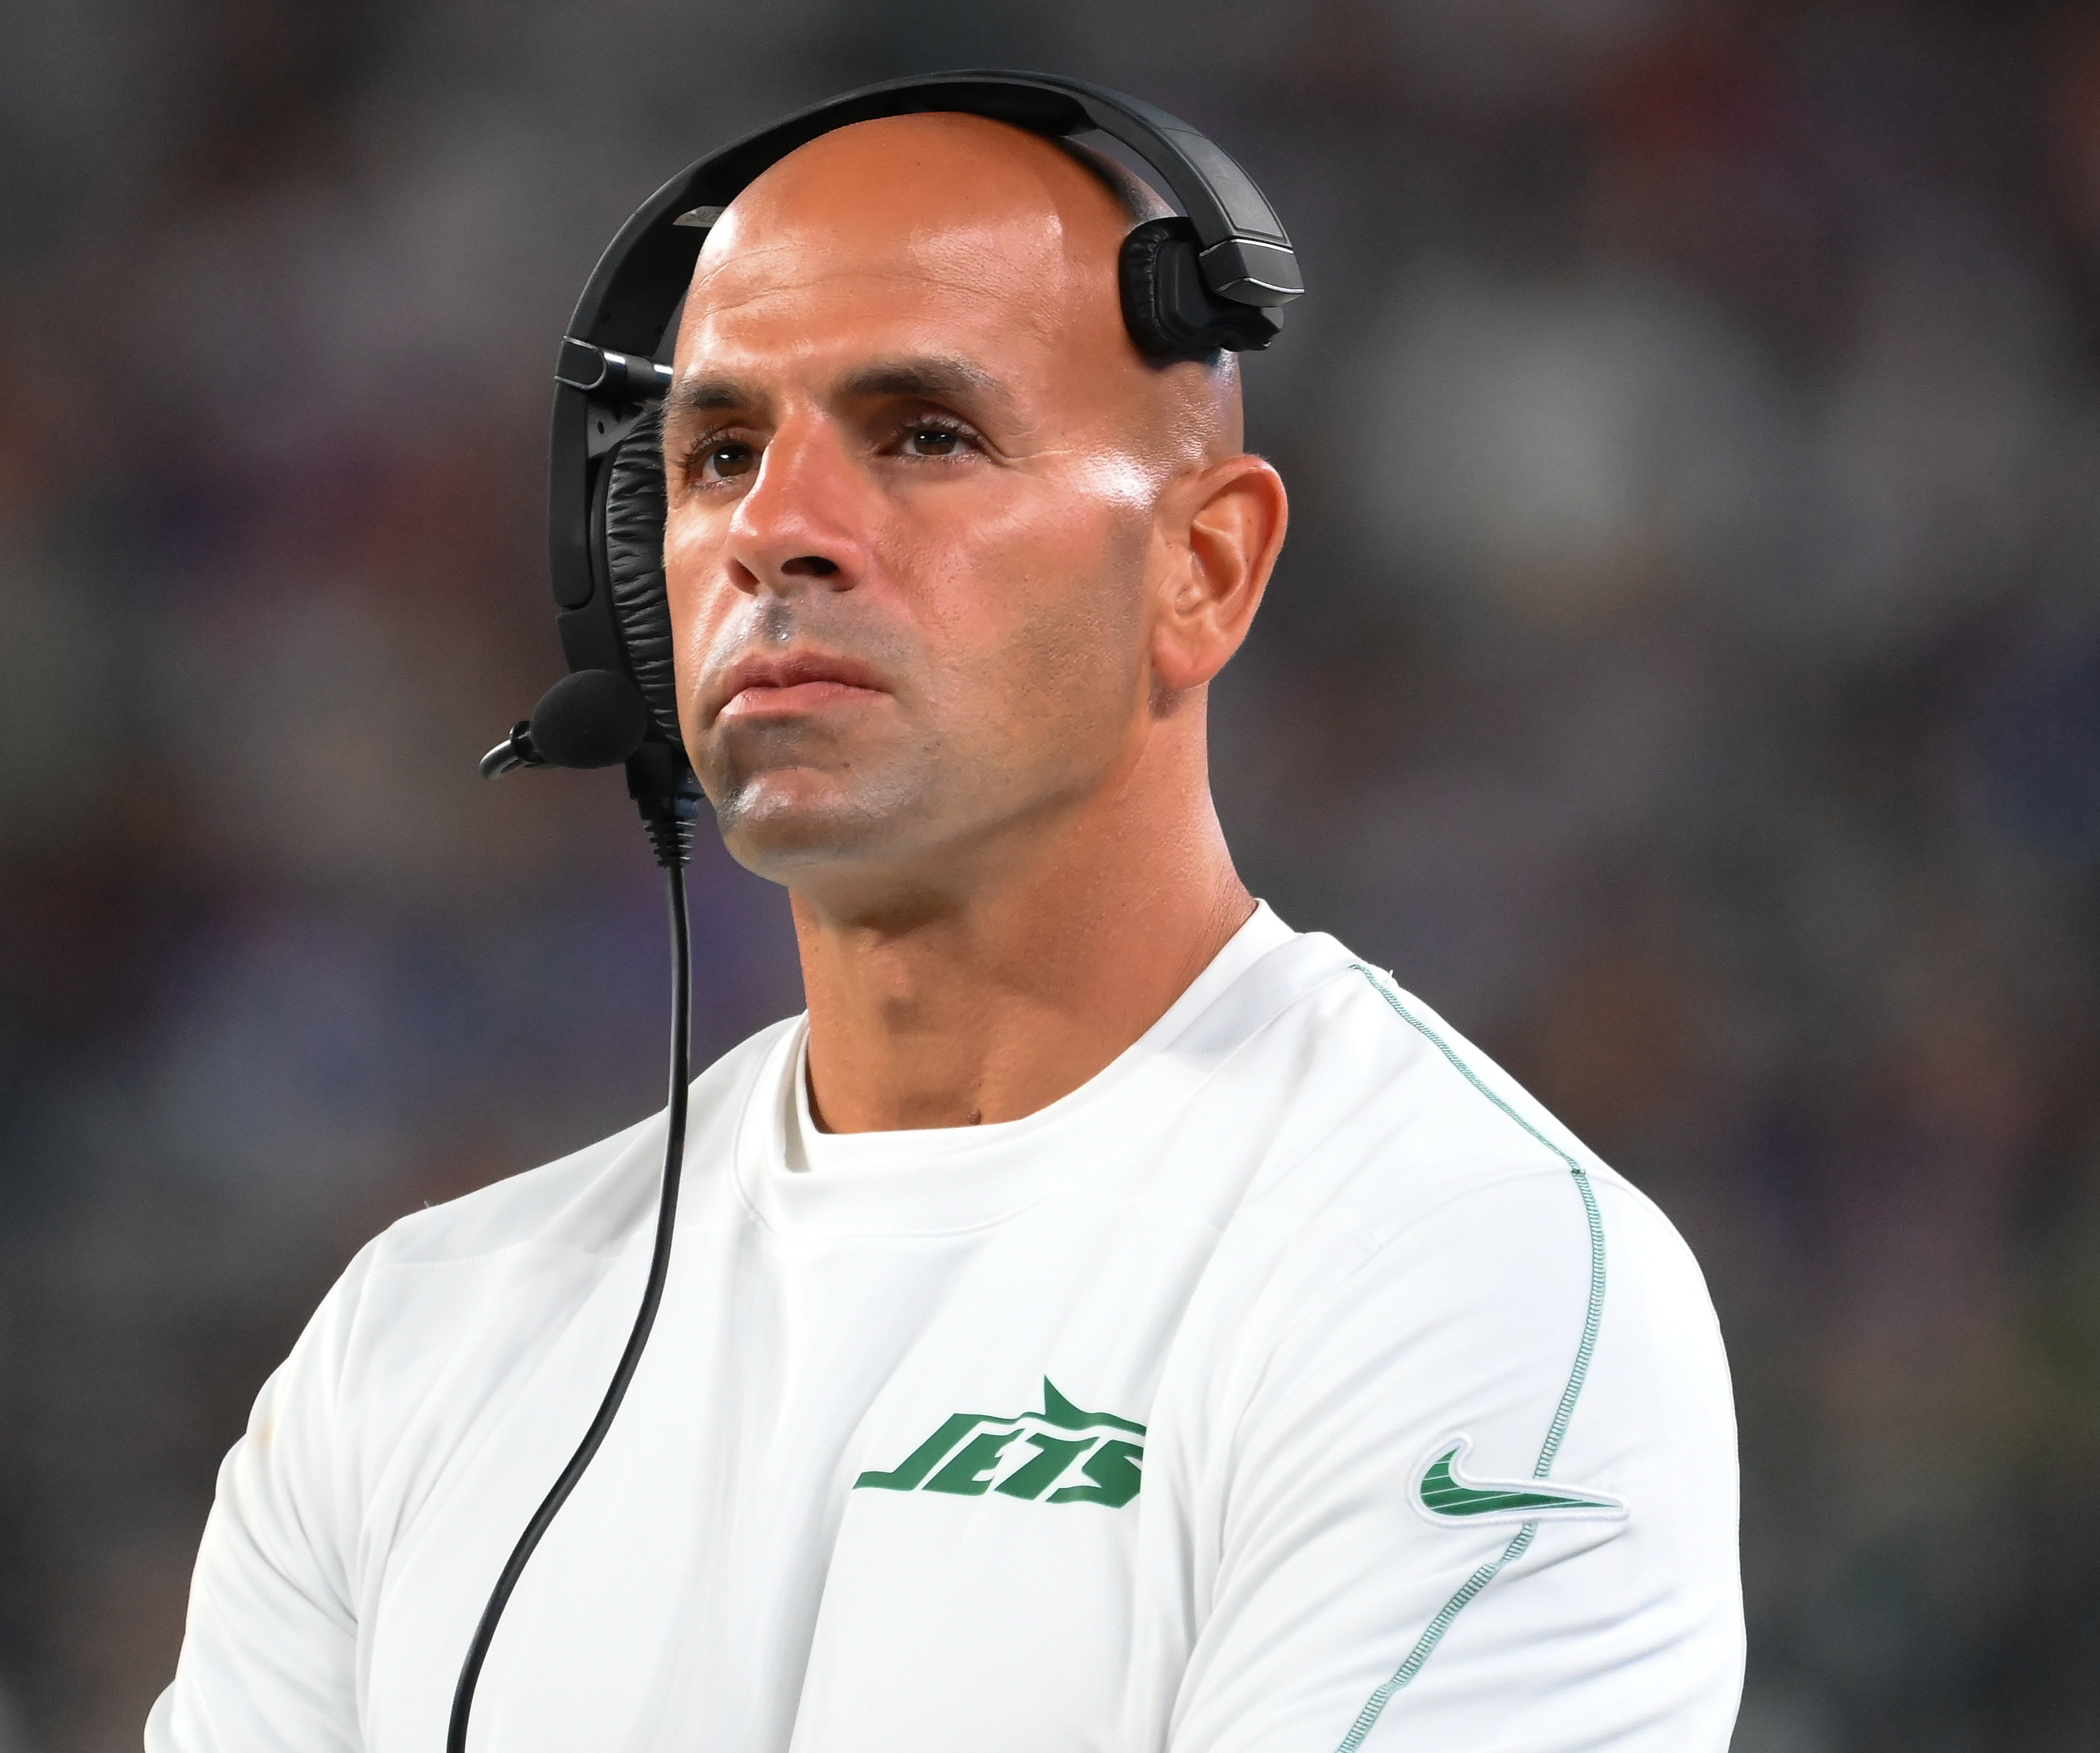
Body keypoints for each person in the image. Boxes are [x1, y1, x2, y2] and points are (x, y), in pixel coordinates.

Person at [147, 106, 1742, 1753]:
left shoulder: (1466, 1273)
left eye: (922, 434)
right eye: (715, 456)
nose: (777, 526)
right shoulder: (417, 1337)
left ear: (1202, 565)